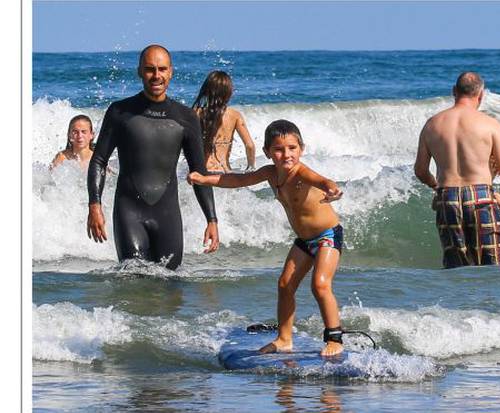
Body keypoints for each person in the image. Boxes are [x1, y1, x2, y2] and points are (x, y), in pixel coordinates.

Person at [187, 119, 345, 356]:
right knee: (284, 284)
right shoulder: (270, 174)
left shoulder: (302, 173)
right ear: (267, 152)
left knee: (320, 284)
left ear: (301, 148)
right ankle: (284, 339)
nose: (286, 154)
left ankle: (334, 339)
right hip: (304, 240)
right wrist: (204, 179)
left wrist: (333, 189)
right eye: (279, 149)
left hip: (327, 235)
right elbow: (238, 180)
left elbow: (323, 181)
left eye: (292, 148)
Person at [86, 44, 219, 270]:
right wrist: (94, 205)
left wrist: (212, 219)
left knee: (170, 281)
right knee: (135, 276)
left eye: (162, 69)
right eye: (149, 69)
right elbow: (99, 160)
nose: (156, 76)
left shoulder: (186, 117)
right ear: (139, 71)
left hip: (167, 214)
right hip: (129, 211)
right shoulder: (120, 111)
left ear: (171, 72)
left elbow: (199, 172)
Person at [414, 71, 500, 268]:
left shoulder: (432, 124)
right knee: (492, 266)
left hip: (447, 196)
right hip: (480, 195)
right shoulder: (489, 124)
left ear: (454, 91)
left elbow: (421, 171)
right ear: (480, 95)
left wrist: (436, 187)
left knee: (455, 267)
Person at [192, 70, 256, 173]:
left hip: (201, 171)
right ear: (229, 92)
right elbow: (250, 146)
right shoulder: (234, 115)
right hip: (224, 172)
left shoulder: (196, 113)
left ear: (206, 91)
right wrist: (251, 168)